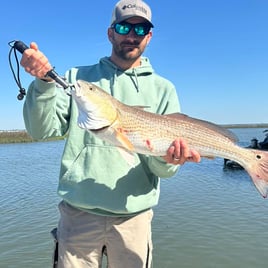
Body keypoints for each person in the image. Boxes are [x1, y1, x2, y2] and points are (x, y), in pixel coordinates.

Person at [20, 0, 201, 267]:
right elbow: (40, 131)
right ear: (110, 32)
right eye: (124, 27)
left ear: (149, 37)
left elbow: (162, 171)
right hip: (77, 215)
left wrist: (169, 160)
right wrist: (44, 83)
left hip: (134, 218)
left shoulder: (164, 90)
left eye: (140, 30)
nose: (131, 35)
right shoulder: (78, 78)